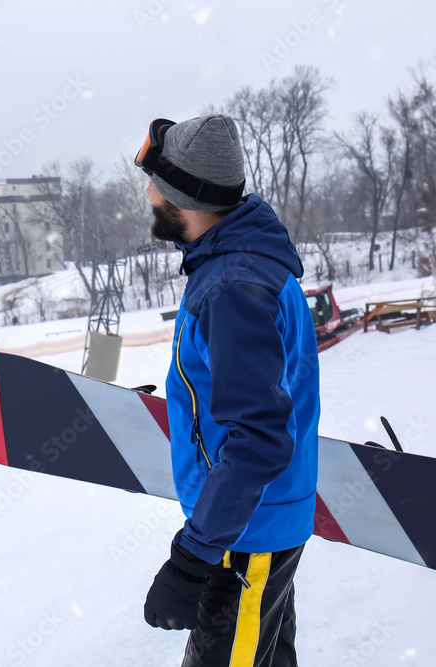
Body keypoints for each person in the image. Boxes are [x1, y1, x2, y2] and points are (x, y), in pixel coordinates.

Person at [134, 114, 320, 667]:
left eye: (158, 187)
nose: (149, 195)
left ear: (185, 198)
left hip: (243, 535)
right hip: (251, 523)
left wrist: (194, 557)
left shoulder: (233, 285)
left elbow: (260, 436)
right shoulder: (243, 265)